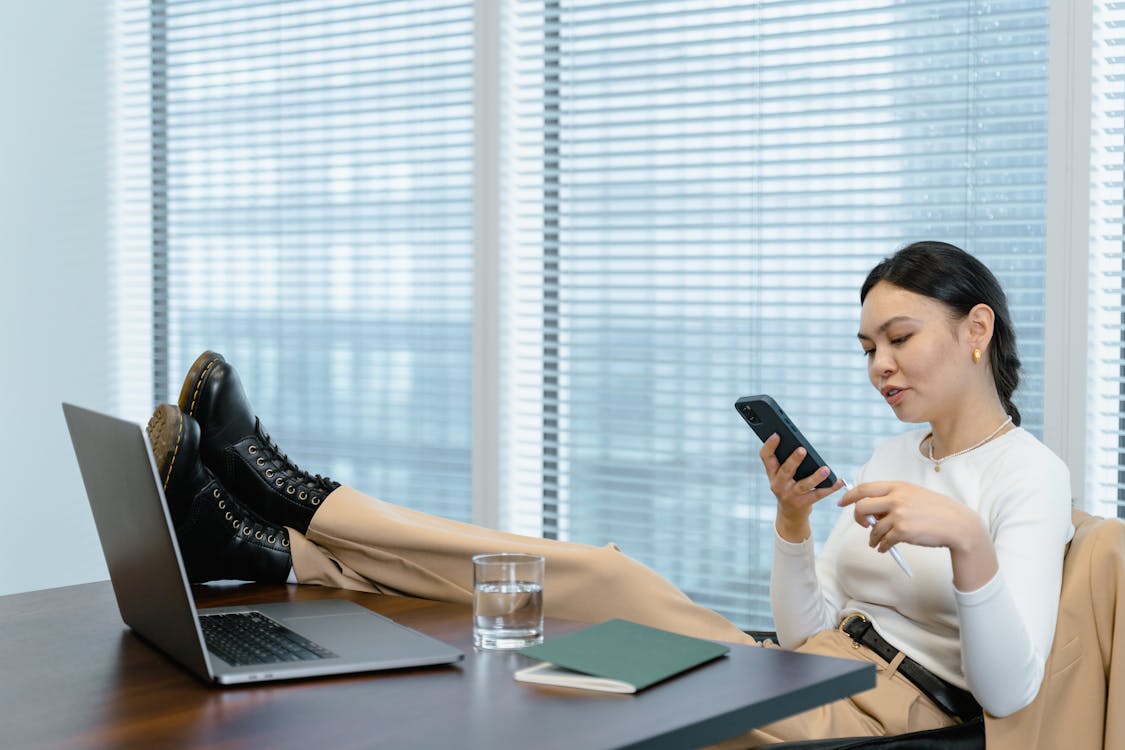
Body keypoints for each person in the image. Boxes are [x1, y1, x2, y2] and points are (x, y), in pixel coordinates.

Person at [147, 240, 1072, 747]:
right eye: (865, 346)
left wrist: (969, 546)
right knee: (586, 587)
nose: (877, 364)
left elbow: (1008, 691)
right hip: (808, 664)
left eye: (898, 338)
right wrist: (792, 525)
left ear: (976, 327)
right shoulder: (892, 451)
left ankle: (289, 512)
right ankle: (278, 536)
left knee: (570, 616)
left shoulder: (1026, 474)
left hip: (880, 717)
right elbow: (800, 631)